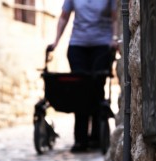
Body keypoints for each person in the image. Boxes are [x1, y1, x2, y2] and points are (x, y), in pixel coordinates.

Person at [48, 0, 118, 152]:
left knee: (96, 87)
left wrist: (115, 39)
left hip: (102, 46)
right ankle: (80, 139)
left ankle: (96, 137)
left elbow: (115, 18)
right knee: (79, 90)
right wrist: (56, 42)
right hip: (77, 45)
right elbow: (64, 17)